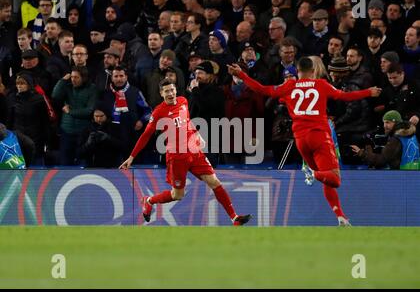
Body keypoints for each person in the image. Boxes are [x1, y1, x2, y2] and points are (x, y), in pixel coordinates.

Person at [228, 57, 382, 226]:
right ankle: (311, 172)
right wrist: (369, 92)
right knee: (334, 179)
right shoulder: (321, 84)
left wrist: (242, 75)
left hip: (301, 140)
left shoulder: (288, 86)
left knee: (326, 178)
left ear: (298, 70)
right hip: (319, 136)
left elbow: (263, 90)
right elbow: (344, 96)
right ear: (313, 70)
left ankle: (340, 217)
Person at [119, 78, 251, 226]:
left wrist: (196, 133)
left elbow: (187, 121)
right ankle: (149, 201)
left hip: (194, 151)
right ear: (161, 93)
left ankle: (234, 218)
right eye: (166, 91)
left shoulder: (183, 101)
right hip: (176, 156)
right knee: (177, 195)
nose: (170, 93)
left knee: (214, 181)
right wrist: (131, 157)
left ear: (176, 90)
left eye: (172, 90)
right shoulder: (158, 112)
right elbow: (145, 135)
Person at [351, 110, 420, 170]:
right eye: (384, 122)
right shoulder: (410, 135)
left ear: (396, 123)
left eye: (388, 122)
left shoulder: (397, 139)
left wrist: (362, 153)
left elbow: (381, 160)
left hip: (400, 177)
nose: (384, 125)